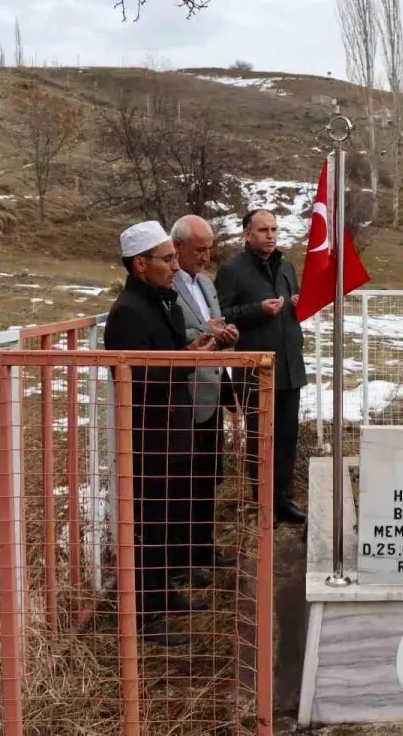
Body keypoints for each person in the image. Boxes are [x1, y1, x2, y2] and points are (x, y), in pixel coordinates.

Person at [103, 220, 221, 647]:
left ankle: (162, 594)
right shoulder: (129, 313)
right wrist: (185, 360)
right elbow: (139, 375)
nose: (176, 266)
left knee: (165, 520)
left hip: (172, 433)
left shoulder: (161, 301)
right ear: (140, 265)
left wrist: (189, 353)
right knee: (147, 524)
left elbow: (166, 357)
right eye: (168, 258)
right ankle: (144, 614)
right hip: (149, 438)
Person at [214, 209, 307, 525]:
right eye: (263, 230)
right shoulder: (232, 269)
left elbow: (295, 304)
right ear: (246, 234)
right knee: (260, 439)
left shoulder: (286, 266)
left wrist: (298, 304)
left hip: (290, 365)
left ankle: (283, 501)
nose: (270, 235)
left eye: (274, 229)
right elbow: (221, 314)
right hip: (254, 369)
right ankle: (263, 503)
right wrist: (257, 310)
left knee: (286, 438)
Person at [170, 214, 239, 585]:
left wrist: (227, 333)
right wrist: (206, 332)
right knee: (186, 481)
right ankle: (184, 556)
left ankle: (204, 546)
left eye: (209, 248)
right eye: (199, 249)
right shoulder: (169, 285)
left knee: (209, 476)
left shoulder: (208, 285)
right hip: (185, 395)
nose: (206, 256)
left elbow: (217, 324)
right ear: (177, 247)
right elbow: (177, 332)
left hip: (211, 393)